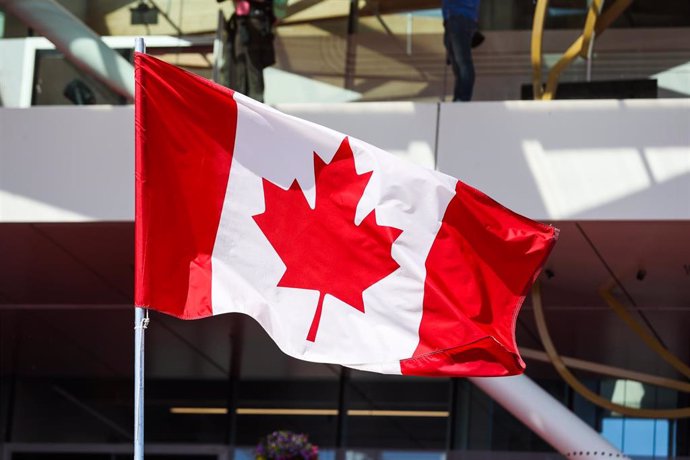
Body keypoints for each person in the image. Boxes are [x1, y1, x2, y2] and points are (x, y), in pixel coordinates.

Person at [226, 0, 276, 102]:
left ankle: (251, 105)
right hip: (245, 32)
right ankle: (245, 103)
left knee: (253, 72)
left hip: (252, 33)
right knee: (243, 72)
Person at [442, 0, 481, 102]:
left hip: (461, 17)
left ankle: (463, 97)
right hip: (453, 18)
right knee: (457, 64)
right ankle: (459, 97)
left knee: (463, 62)